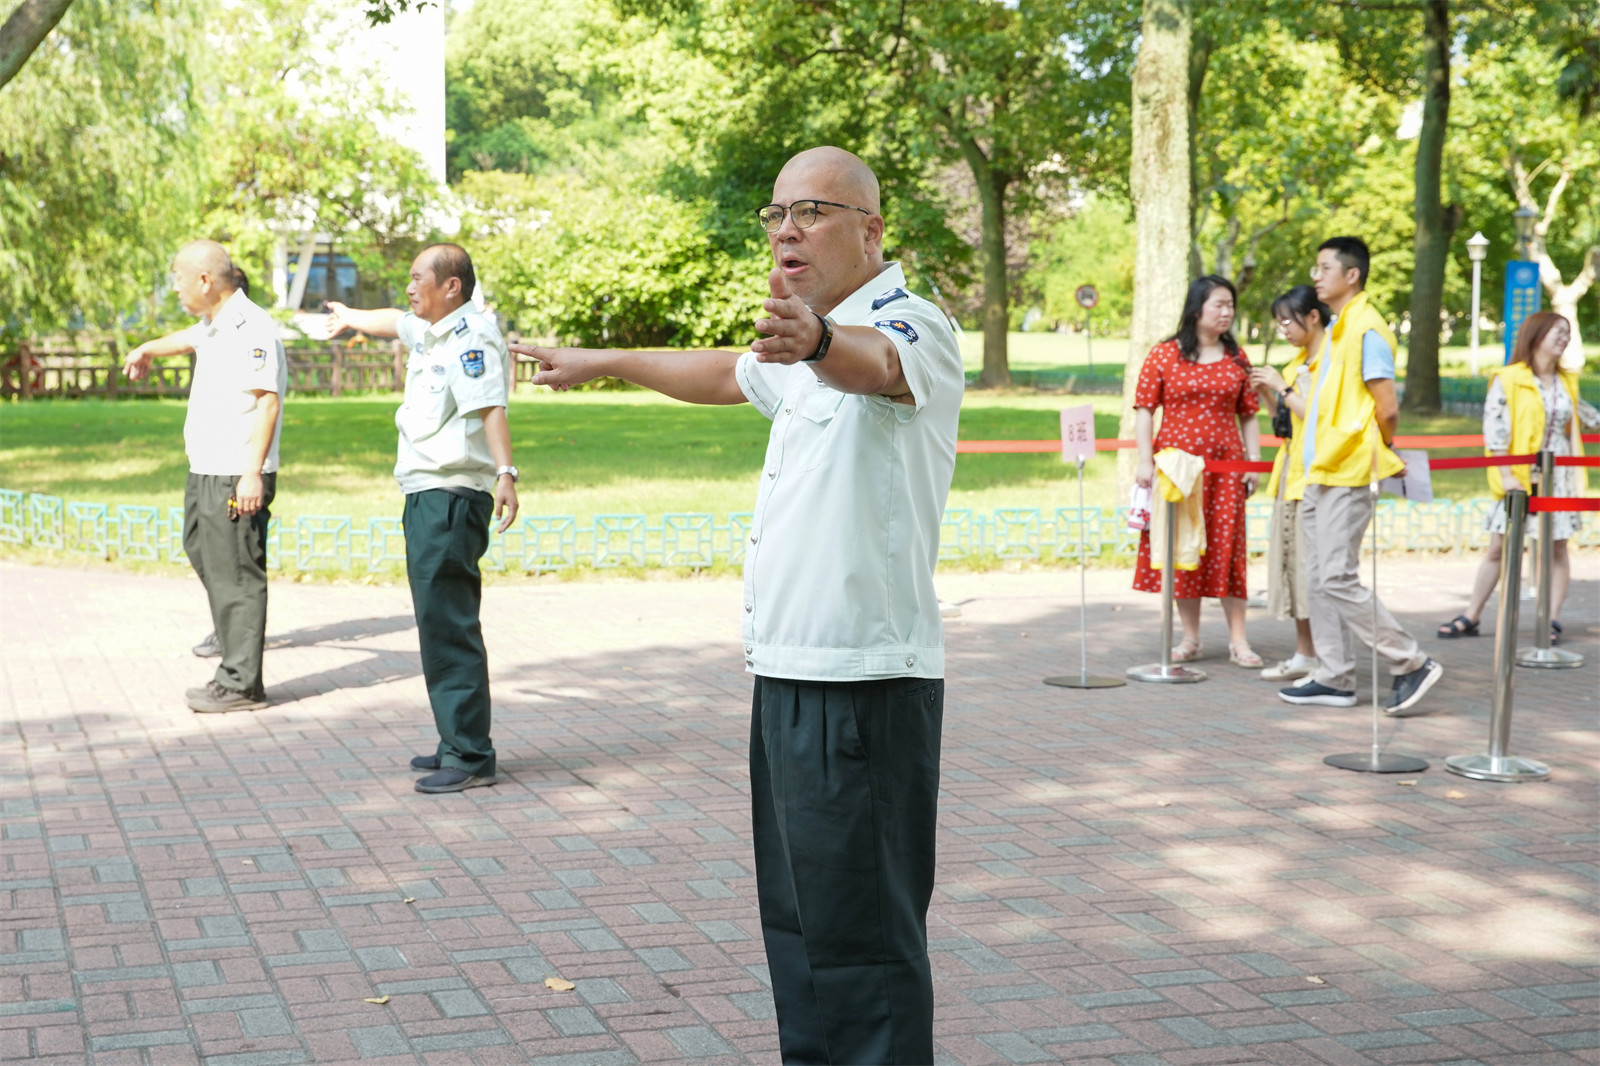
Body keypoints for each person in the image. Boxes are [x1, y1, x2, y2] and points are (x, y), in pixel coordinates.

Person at [512, 146, 963, 1065]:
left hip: (864, 682)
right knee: (800, 927)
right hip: (788, 674)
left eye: (813, 211)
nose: (786, 228)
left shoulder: (910, 326)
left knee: (865, 946)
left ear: (873, 231)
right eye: (776, 213)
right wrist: (600, 361)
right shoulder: (805, 337)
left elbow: (878, 368)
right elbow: (725, 372)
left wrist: (823, 344)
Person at [322, 244, 521, 794]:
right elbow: (392, 322)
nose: (409, 288)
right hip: (427, 491)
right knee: (436, 620)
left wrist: (506, 471)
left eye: (417, 279)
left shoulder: (471, 338)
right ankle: (454, 738)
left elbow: (490, 408)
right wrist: (350, 318)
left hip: (452, 494)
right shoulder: (430, 331)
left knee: (449, 623)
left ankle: (471, 755)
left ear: (451, 286)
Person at [1253, 237, 1441, 713]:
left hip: (1349, 469)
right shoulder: (1337, 331)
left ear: (1350, 275)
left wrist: (1369, 447)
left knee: (1336, 575)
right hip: (1319, 469)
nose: (1315, 277)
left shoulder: (1367, 330)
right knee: (1318, 579)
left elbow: (1387, 408)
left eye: (1323, 268)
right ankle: (1335, 677)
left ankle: (1410, 659)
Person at [122, 241, 287, 713]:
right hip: (208, 468)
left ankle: (240, 682)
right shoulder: (217, 324)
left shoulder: (250, 325)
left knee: (235, 572)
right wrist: (149, 347)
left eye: (177, 278)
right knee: (203, 549)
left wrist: (252, 475)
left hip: (237, 471)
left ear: (204, 281)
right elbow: (190, 338)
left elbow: (267, 402)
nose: (173, 287)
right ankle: (235, 660)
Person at [1132, 274, 1263, 667]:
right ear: (1196, 309)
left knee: (1229, 546)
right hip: (1177, 470)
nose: (1227, 312)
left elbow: (1249, 414)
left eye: (1231, 306)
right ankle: (1190, 638)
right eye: (1219, 305)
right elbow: (1144, 408)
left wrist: (1252, 463)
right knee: (1181, 547)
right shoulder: (1164, 354)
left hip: (1225, 471)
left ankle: (1239, 640)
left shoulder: (1237, 357)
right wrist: (1144, 460)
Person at [1437, 311, 1586, 644]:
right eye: (1557, 332)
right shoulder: (1508, 378)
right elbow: (1495, 432)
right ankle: (1471, 615)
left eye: (1567, 333)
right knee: (1500, 547)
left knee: (1557, 548)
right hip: (1519, 475)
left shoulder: (1567, 382)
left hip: (1558, 476)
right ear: (1536, 335)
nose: (1563, 338)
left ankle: (1551, 619)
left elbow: (1580, 418)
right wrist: (1506, 475)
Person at [1250, 286, 1328, 682]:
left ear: (1312, 316)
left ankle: (1321, 656)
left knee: (1309, 571)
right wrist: (1269, 393)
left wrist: (1281, 387)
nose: (1282, 329)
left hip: (1316, 478)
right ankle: (1304, 652)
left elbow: (1319, 417)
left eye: (1287, 321)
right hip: (1290, 476)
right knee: (1291, 569)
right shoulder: (1299, 362)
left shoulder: (1328, 361)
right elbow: (1288, 425)